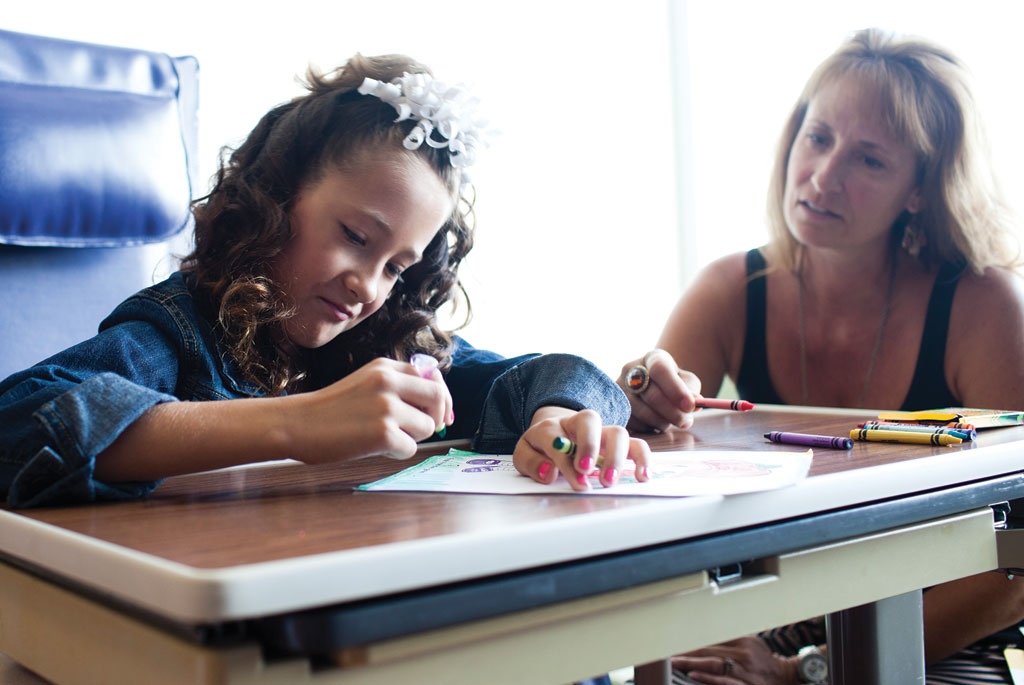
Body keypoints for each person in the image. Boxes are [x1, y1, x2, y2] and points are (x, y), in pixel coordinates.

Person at [0, 53, 650, 509]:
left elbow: (544, 373)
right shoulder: (173, 335)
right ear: (275, 199)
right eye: (357, 238)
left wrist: (561, 417)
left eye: (397, 267)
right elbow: (20, 423)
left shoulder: (382, 351)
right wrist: (295, 423)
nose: (369, 285)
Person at [620, 29, 1024, 684]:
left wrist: (808, 671)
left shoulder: (984, 305)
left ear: (919, 189)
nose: (824, 175)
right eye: (818, 137)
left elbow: (1017, 571)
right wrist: (634, 401)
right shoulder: (731, 289)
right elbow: (639, 472)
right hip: (778, 607)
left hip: (946, 628)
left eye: (869, 160)